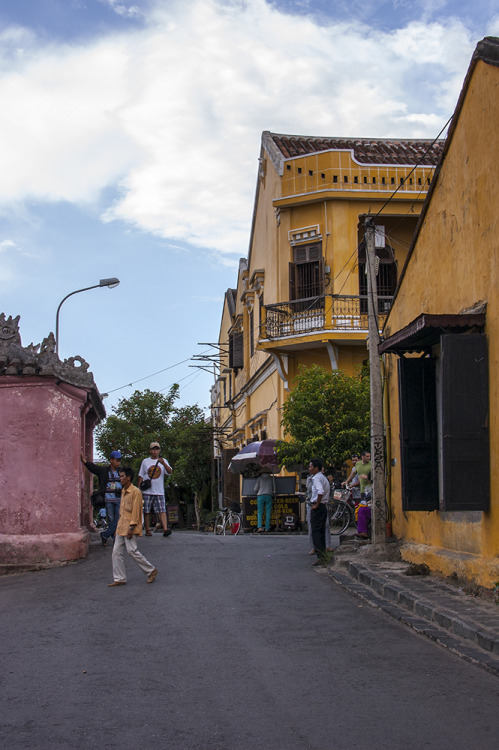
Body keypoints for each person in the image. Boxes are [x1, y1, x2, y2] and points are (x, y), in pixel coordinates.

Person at [108, 467, 157, 586]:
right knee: (116, 552)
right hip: (121, 526)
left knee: (131, 550)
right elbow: (122, 512)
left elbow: (136, 512)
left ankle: (150, 570)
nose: (120, 478)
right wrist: (117, 528)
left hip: (130, 526)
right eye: (120, 476)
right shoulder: (124, 491)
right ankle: (119, 578)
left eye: (122, 476)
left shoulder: (136, 492)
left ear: (128, 478)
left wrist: (131, 527)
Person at [81, 449, 122, 547]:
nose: (119, 462)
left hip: (119, 499)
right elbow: (94, 468)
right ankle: (114, 538)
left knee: (118, 520)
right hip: (108, 499)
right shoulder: (104, 471)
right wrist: (85, 461)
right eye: (117, 460)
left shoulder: (121, 471)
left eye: (120, 460)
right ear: (111, 460)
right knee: (111, 520)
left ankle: (105, 534)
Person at [138, 442, 173, 537]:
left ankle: (165, 528)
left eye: (157, 449)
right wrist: (139, 489)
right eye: (153, 449)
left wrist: (164, 463)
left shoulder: (163, 460)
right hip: (148, 490)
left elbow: (170, 472)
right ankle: (148, 529)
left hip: (159, 490)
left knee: (162, 510)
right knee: (147, 511)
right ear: (150, 450)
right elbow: (141, 475)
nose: (155, 451)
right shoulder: (145, 461)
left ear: (159, 450)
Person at [308, 458, 330, 566]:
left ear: (316, 468)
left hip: (318, 507)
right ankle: (323, 554)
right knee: (321, 531)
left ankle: (320, 555)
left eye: (311, 466)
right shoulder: (323, 477)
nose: (309, 468)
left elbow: (320, 491)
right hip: (323, 506)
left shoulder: (316, 478)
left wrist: (316, 504)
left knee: (316, 531)